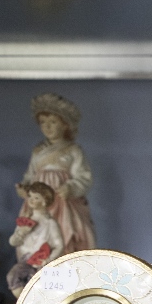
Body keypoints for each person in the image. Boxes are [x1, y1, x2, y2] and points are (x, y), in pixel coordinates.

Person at [16, 93, 96, 255]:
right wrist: (25, 187)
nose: (47, 127)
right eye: (43, 123)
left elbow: (83, 176)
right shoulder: (38, 151)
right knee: (36, 234)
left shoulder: (73, 150)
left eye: (53, 122)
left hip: (63, 202)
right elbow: (31, 174)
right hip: (38, 201)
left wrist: (71, 188)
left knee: (65, 233)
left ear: (65, 125)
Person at [7, 182, 63, 298]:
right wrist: (22, 232)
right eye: (30, 196)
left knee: (38, 285)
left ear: (44, 201)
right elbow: (13, 242)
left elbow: (59, 245)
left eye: (36, 198)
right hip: (25, 260)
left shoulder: (50, 223)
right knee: (12, 276)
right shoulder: (25, 221)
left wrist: (49, 259)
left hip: (42, 262)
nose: (31, 200)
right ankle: (24, 303)